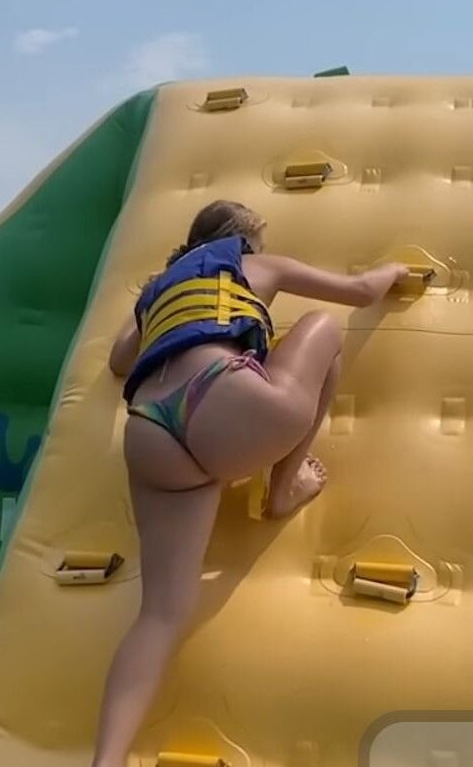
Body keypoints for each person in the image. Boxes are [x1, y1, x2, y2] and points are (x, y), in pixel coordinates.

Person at [92, 200, 408, 767]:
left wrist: (152, 297)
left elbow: (120, 361)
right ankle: (282, 488)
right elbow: (362, 292)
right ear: (248, 241)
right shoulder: (256, 265)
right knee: (322, 328)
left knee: (160, 615)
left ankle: (106, 760)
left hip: (150, 432)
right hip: (223, 401)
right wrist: (396, 270)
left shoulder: (159, 291)